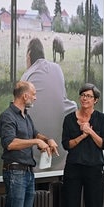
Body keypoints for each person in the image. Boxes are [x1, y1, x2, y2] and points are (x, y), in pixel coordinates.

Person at [0, 80, 59, 207]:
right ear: (24, 96)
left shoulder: (25, 116)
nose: (35, 97)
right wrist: (34, 142)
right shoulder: (8, 116)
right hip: (14, 171)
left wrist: (46, 139)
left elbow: (34, 133)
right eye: (33, 94)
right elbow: (10, 143)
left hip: (27, 172)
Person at [59, 83, 104, 207]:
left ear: (95, 100)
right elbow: (67, 144)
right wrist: (82, 135)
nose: (84, 98)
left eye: (88, 96)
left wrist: (90, 131)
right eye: (83, 95)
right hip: (73, 168)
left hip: (94, 168)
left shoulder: (101, 119)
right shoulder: (69, 119)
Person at [20, 37, 77, 171]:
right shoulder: (57, 68)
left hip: (35, 153)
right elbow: (62, 97)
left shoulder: (26, 76)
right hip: (60, 150)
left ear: (29, 55)